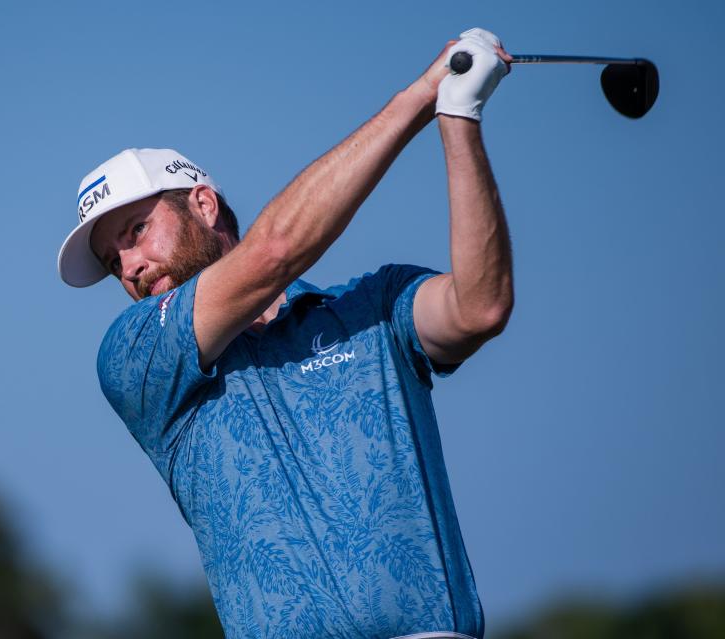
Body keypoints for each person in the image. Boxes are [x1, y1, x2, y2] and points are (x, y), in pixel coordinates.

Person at [58, 28, 514, 639]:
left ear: (203, 205)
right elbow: (275, 252)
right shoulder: (137, 358)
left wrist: (457, 114)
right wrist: (421, 95)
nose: (130, 268)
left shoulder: (373, 307)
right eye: (114, 263)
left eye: (136, 231)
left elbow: (479, 308)